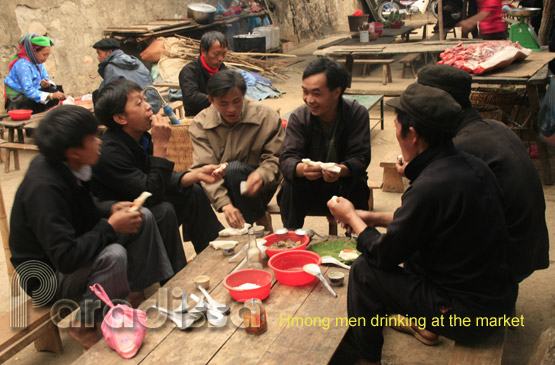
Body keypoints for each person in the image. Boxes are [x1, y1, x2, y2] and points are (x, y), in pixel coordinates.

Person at [327, 83, 517, 364]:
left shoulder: (431, 185)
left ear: (412, 135)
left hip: (469, 317)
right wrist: (369, 217)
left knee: (365, 271)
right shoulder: (472, 166)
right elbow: (426, 221)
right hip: (497, 300)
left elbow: (383, 255)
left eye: (396, 126)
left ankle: (367, 359)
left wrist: (352, 218)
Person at [9, 105, 175, 349]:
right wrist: (109, 226)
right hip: (47, 277)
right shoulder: (43, 189)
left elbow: (82, 207)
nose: (100, 142)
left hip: (75, 248)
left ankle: (135, 295)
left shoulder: (66, 164)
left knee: (143, 217)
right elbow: (66, 257)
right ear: (75, 152)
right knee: (113, 255)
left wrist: (110, 209)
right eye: (92, 138)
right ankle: (85, 324)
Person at [417, 64, 549, 282]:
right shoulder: (496, 126)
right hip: (529, 253)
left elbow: (429, 214)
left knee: (418, 249)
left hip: (509, 263)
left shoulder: (460, 148)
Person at [91, 79, 224, 257]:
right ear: (120, 118)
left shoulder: (140, 138)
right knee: (163, 210)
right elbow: (150, 193)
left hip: (146, 206)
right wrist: (160, 145)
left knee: (193, 191)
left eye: (145, 100)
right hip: (119, 225)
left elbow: (157, 179)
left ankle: (215, 251)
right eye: (139, 103)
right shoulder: (111, 152)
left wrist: (195, 175)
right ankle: (174, 278)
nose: (148, 107)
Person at [278, 57, 370, 230]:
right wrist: (302, 170)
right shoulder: (299, 117)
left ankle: (360, 242)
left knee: (357, 183)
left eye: (316, 93)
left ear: (336, 92)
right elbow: (287, 159)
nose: (309, 99)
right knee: (290, 185)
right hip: (309, 192)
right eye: (305, 92)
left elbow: (361, 159)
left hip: (343, 190)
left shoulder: (357, 114)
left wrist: (341, 170)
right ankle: (291, 239)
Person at [188, 69, 284, 232]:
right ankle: (208, 242)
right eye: (223, 103)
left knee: (234, 171)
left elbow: (275, 157)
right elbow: (205, 168)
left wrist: (261, 175)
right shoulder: (200, 124)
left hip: (257, 186)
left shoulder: (265, 116)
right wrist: (224, 204)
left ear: (245, 94)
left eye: (236, 101)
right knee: (191, 187)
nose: (231, 109)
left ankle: (259, 221)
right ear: (211, 100)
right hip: (222, 187)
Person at [92, 38, 161, 113]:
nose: (98, 57)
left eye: (99, 53)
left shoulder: (110, 67)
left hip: (138, 109)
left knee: (98, 95)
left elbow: (110, 95)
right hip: (153, 105)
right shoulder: (134, 60)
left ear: (109, 52)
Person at [4, 33, 66, 113]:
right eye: (44, 55)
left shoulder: (38, 63)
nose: (46, 58)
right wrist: (51, 95)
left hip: (31, 94)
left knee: (56, 90)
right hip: (19, 100)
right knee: (53, 95)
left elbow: (45, 78)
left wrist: (46, 83)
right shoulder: (23, 65)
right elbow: (28, 91)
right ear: (34, 51)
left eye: (48, 55)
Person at [179, 31, 228, 116]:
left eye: (223, 54)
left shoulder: (223, 70)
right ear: (203, 51)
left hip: (220, 116)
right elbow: (191, 96)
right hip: (196, 118)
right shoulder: (190, 71)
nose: (220, 58)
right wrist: (219, 101)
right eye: (216, 54)